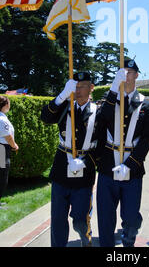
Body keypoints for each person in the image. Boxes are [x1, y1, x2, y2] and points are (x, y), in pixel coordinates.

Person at [96, 58, 149, 247]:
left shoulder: (146, 103)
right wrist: (113, 89)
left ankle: (128, 241)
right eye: (122, 72)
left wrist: (130, 164)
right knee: (105, 217)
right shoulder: (109, 97)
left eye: (130, 72)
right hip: (107, 167)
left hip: (133, 169)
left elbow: (146, 139)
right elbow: (101, 119)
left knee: (130, 216)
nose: (126, 75)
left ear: (137, 75)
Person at [41, 72, 100, 247]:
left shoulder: (99, 112)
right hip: (61, 170)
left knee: (80, 220)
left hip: (84, 173)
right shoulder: (64, 106)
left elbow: (102, 144)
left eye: (83, 86)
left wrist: (86, 162)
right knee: (58, 219)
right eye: (76, 86)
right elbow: (45, 117)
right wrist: (61, 96)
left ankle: (86, 239)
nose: (78, 90)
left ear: (91, 88)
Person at [0, 96, 18, 208]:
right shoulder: (2, 120)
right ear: (5, 105)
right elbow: (8, 136)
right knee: (2, 177)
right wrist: (14, 145)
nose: (10, 106)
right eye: (9, 103)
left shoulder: (2, 117)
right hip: (2, 150)